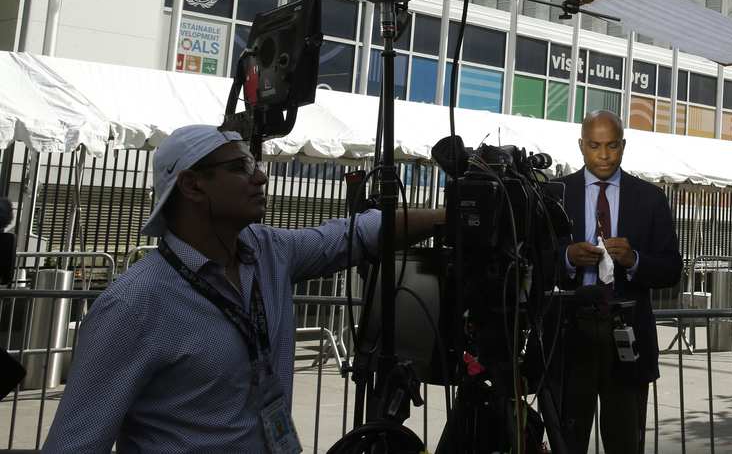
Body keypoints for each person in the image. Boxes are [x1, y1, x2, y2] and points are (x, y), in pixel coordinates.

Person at [42, 125, 444, 453]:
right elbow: (76, 443)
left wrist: (449, 214)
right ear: (192, 186)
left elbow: (352, 234)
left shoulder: (270, 251)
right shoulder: (134, 304)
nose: (260, 176)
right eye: (240, 167)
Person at [557, 110, 682, 453]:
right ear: (581, 145)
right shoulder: (556, 193)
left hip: (627, 340)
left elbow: (672, 269)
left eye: (611, 146)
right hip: (570, 339)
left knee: (625, 443)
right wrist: (567, 257)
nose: (604, 155)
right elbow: (531, 260)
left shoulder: (650, 198)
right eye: (595, 145)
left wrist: (635, 260)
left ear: (623, 145)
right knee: (567, 441)